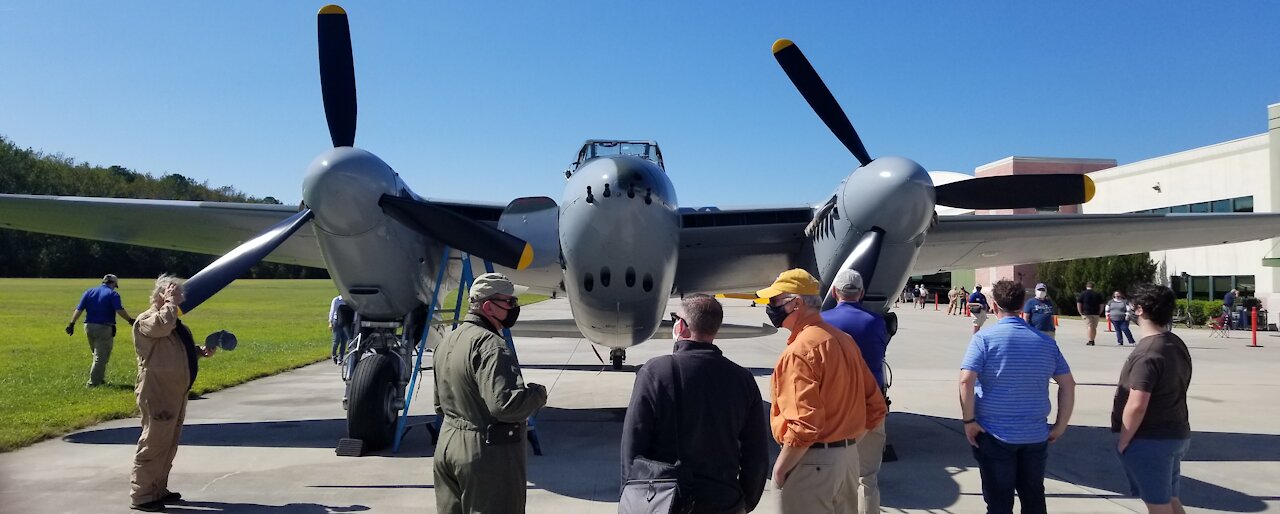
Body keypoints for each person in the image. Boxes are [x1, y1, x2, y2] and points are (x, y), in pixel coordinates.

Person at [621, 295, 770, 513]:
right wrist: (744, 502)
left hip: (667, 502)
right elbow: (756, 456)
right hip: (724, 502)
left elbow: (632, 447)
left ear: (681, 326)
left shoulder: (655, 372)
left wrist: (632, 497)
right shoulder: (743, 379)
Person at [756, 268, 887, 514]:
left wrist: (780, 469)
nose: (771, 306)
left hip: (812, 463)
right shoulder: (844, 341)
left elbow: (804, 425)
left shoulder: (800, 351)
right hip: (847, 461)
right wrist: (844, 443)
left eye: (775, 301)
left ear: (795, 304)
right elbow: (876, 406)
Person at [433, 273, 547, 514]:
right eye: (509, 302)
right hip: (485, 453)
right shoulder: (490, 345)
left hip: (447, 444)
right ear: (488, 307)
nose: (514, 308)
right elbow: (505, 406)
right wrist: (537, 395)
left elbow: (439, 405)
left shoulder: (448, 341)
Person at [959, 279, 1076, 514]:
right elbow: (1068, 385)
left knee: (999, 502)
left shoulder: (984, 339)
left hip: (994, 434)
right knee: (1033, 498)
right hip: (1034, 435)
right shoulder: (1045, 342)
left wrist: (969, 421)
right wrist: (1060, 425)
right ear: (1023, 305)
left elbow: (966, 381)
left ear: (994, 306)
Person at [130, 275, 217, 512]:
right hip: (157, 391)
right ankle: (142, 494)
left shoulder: (175, 324)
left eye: (179, 296)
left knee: (168, 443)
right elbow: (160, 327)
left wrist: (200, 351)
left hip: (175, 392)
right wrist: (169, 302)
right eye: (175, 294)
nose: (179, 301)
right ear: (161, 294)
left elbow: (175, 348)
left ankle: (158, 489)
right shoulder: (147, 320)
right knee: (154, 442)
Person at [1112, 284, 1193, 514]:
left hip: (1151, 439)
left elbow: (1137, 404)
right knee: (1170, 499)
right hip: (1175, 433)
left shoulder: (1147, 353)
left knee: (1158, 506)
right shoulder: (1174, 343)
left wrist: (1124, 441)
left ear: (1139, 310)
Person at [821, 269, 890, 514]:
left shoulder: (823, 321)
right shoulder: (876, 322)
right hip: (871, 405)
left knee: (833, 476)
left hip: (836, 407)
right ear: (861, 293)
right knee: (867, 478)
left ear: (833, 292)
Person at [67, 274, 135, 387]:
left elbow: (79, 309)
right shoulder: (113, 294)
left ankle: (99, 378)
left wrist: (72, 323)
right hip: (104, 328)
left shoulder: (89, 292)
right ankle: (93, 383)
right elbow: (119, 310)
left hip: (88, 327)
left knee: (97, 354)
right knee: (100, 357)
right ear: (113, 283)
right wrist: (129, 320)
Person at [328, 295, 355, 364]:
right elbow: (332, 311)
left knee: (344, 341)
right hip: (337, 322)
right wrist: (330, 322)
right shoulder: (336, 300)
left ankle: (341, 358)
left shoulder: (350, 300)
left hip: (346, 322)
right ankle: (334, 355)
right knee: (336, 340)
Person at [1077, 281, 1105, 346]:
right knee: (1094, 327)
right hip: (1095, 313)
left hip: (1086, 312)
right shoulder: (1097, 294)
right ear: (1093, 287)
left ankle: (1091, 340)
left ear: (1086, 286)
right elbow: (1101, 304)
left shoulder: (1083, 294)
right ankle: (1093, 339)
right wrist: (1100, 312)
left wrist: (1080, 312)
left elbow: (1079, 303)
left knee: (1089, 326)